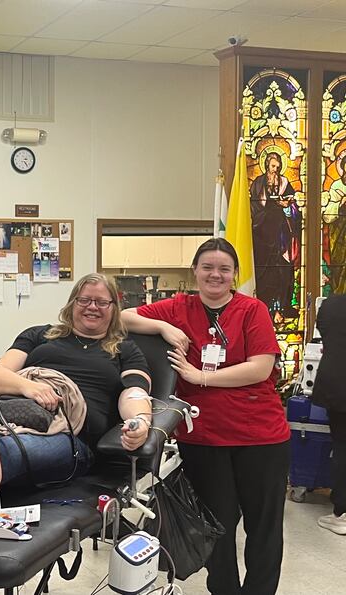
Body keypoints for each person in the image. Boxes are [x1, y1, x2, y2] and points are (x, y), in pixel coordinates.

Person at [120, 237, 290, 595]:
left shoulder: (252, 309)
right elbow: (123, 317)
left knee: (264, 526)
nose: (216, 275)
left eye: (224, 269)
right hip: (204, 437)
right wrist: (164, 328)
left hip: (260, 436)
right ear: (194, 271)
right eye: (208, 267)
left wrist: (201, 376)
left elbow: (260, 368)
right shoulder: (178, 307)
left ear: (234, 275)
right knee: (217, 524)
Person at [0, 273, 152, 486]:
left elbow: (134, 393)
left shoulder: (125, 349)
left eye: (102, 302)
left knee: (1, 453)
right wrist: (31, 387)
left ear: (113, 309)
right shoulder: (38, 335)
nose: (92, 307)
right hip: (14, 417)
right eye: (84, 300)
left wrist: (140, 421)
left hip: (72, 438)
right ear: (72, 304)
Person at [250, 151, 302, 318]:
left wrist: (286, 206)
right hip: (262, 238)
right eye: (273, 166)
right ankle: (263, 309)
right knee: (265, 276)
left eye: (278, 167)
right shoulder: (258, 183)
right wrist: (268, 207)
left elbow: (295, 211)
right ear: (266, 165)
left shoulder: (285, 183)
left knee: (283, 272)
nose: (276, 170)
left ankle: (283, 307)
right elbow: (253, 209)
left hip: (281, 238)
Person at [311, 293, 346, 534]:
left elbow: (324, 335)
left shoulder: (330, 305)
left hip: (339, 384)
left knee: (342, 446)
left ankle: (342, 513)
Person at [322, 155, 346, 293]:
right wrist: (341, 204)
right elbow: (326, 216)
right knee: (339, 268)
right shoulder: (337, 186)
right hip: (339, 238)